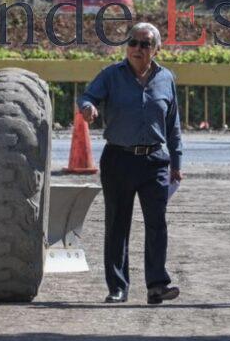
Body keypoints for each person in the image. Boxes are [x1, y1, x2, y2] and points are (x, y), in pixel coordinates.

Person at [77, 22, 183, 305]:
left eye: (145, 44)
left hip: (155, 162)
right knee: (117, 225)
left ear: (156, 49)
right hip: (119, 159)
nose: (137, 48)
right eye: (133, 43)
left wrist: (177, 161)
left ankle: (157, 286)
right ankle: (117, 287)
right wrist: (88, 107)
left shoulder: (166, 79)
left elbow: (173, 125)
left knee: (157, 224)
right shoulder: (111, 75)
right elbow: (87, 96)